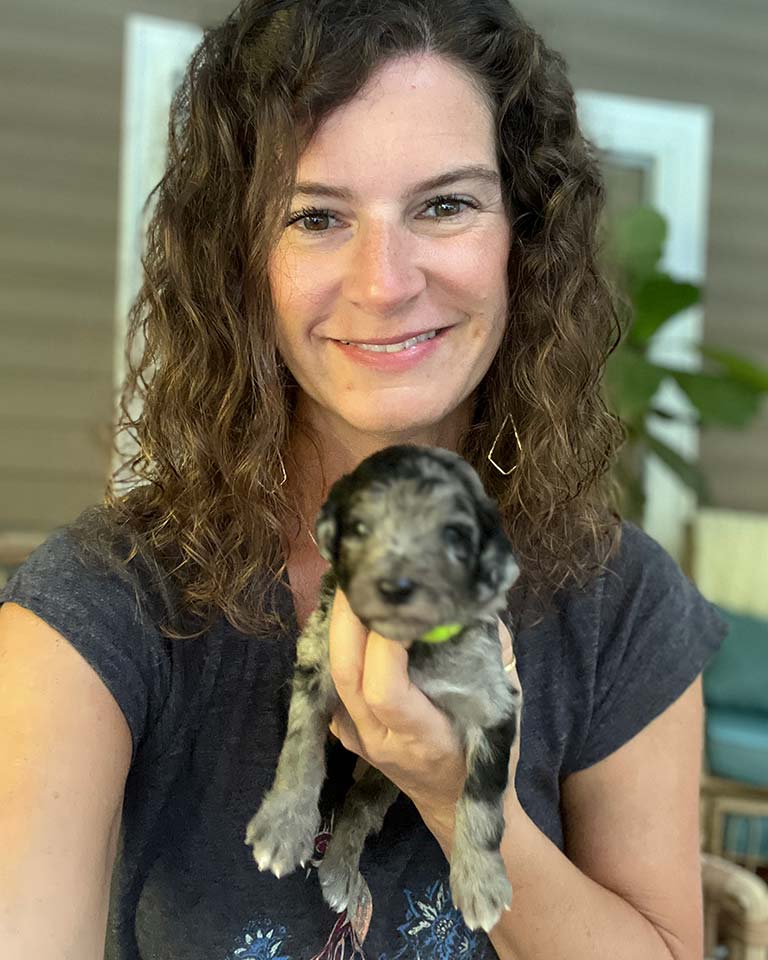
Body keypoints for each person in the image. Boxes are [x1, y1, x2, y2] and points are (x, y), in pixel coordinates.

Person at [0, 0, 726, 957]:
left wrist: (459, 792)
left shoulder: (621, 603)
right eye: (315, 216)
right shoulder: (101, 606)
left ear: (525, 235)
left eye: (445, 204)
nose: (384, 282)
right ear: (242, 263)